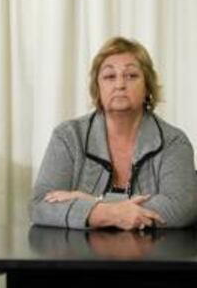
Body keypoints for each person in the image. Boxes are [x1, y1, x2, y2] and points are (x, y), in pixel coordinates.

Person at [31, 36, 197, 230]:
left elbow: (181, 207)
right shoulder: (68, 136)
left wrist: (95, 202)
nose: (120, 85)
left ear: (147, 88)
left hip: (152, 256)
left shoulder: (174, 142)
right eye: (110, 77)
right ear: (97, 88)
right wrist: (108, 213)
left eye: (131, 76)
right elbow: (41, 205)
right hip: (80, 258)